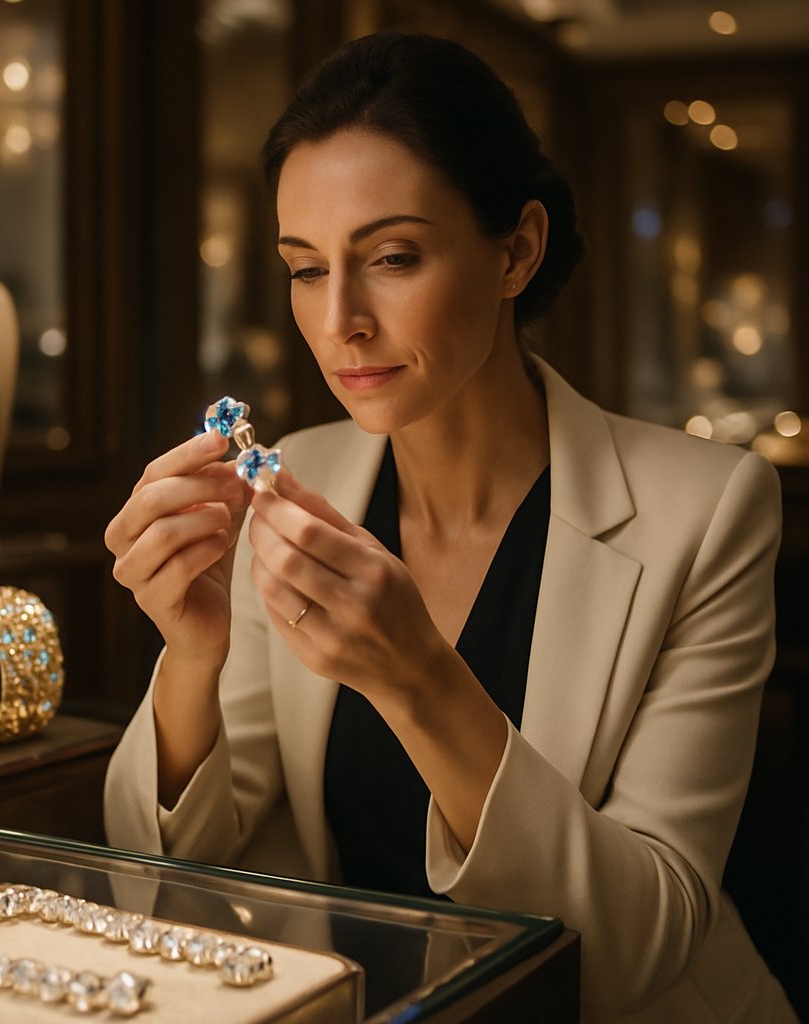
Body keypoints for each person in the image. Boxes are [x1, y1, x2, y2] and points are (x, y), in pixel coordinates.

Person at [103, 32, 795, 1022]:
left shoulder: (708, 509)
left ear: (515, 249)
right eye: (305, 268)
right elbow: (170, 884)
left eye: (391, 257)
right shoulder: (297, 480)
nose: (340, 319)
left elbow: (632, 951)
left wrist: (419, 678)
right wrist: (189, 655)